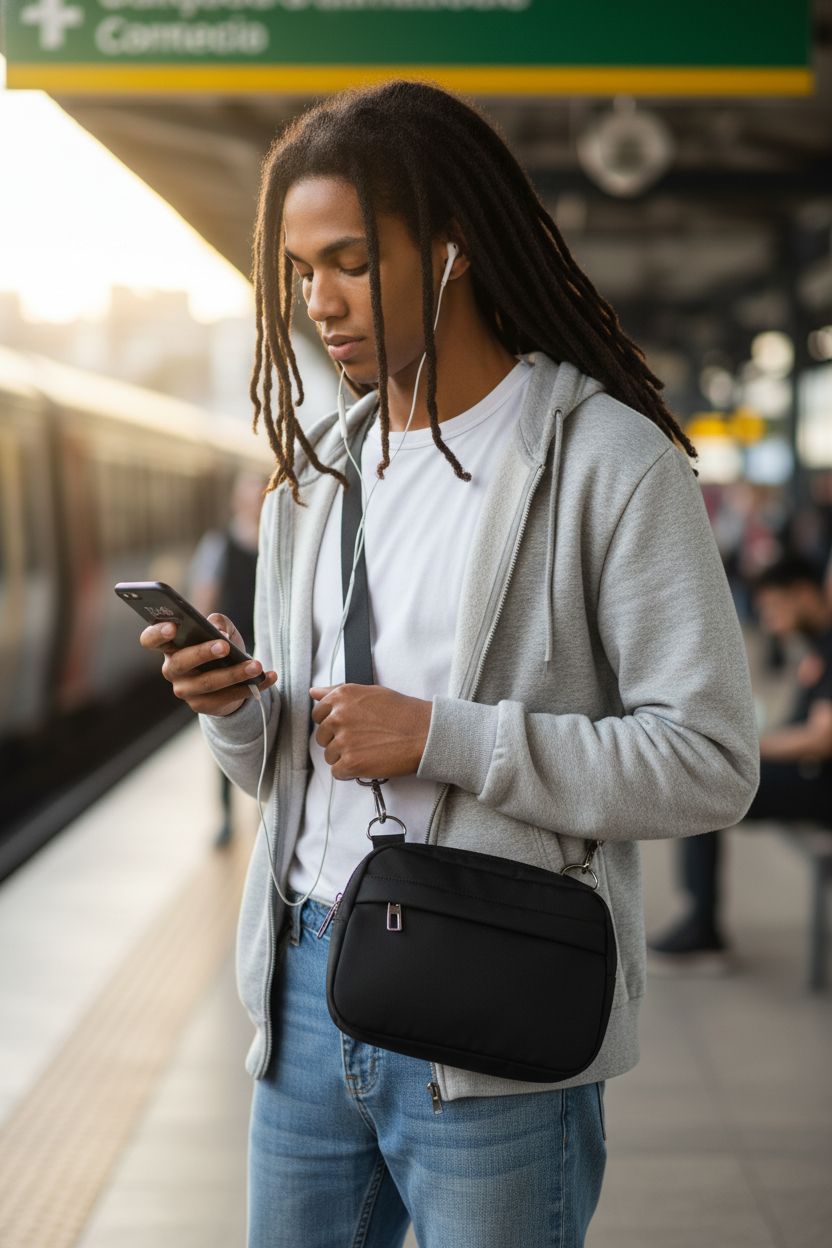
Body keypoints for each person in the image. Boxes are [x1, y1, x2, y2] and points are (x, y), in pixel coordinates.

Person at [139, 81, 759, 1248]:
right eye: (299, 272)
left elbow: (710, 763)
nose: (318, 302)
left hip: (496, 1007)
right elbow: (288, 774)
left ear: (452, 247)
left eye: (351, 263)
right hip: (306, 990)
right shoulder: (312, 483)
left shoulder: (608, 464)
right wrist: (235, 713)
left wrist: (442, 736)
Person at [648, 553, 832, 971]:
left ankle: (703, 929)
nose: (770, 622)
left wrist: (751, 746)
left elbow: (822, 738)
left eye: (775, 608)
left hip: (822, 786)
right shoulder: (818, 647)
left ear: (803, 594)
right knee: (704, 778)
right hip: (811, 777)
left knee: (705, 786)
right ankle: (701, 922)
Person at [188, 468, 266, 847]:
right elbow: (204, 594)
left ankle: (262, 814)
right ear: (237, 501)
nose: (256, 504)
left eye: (261, 496)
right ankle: (225, 818)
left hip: (268, 650)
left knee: (268, 736)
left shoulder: (278, 538)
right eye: (250, 496)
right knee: (227, 734)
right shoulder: (219, 544)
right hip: (230, 653)